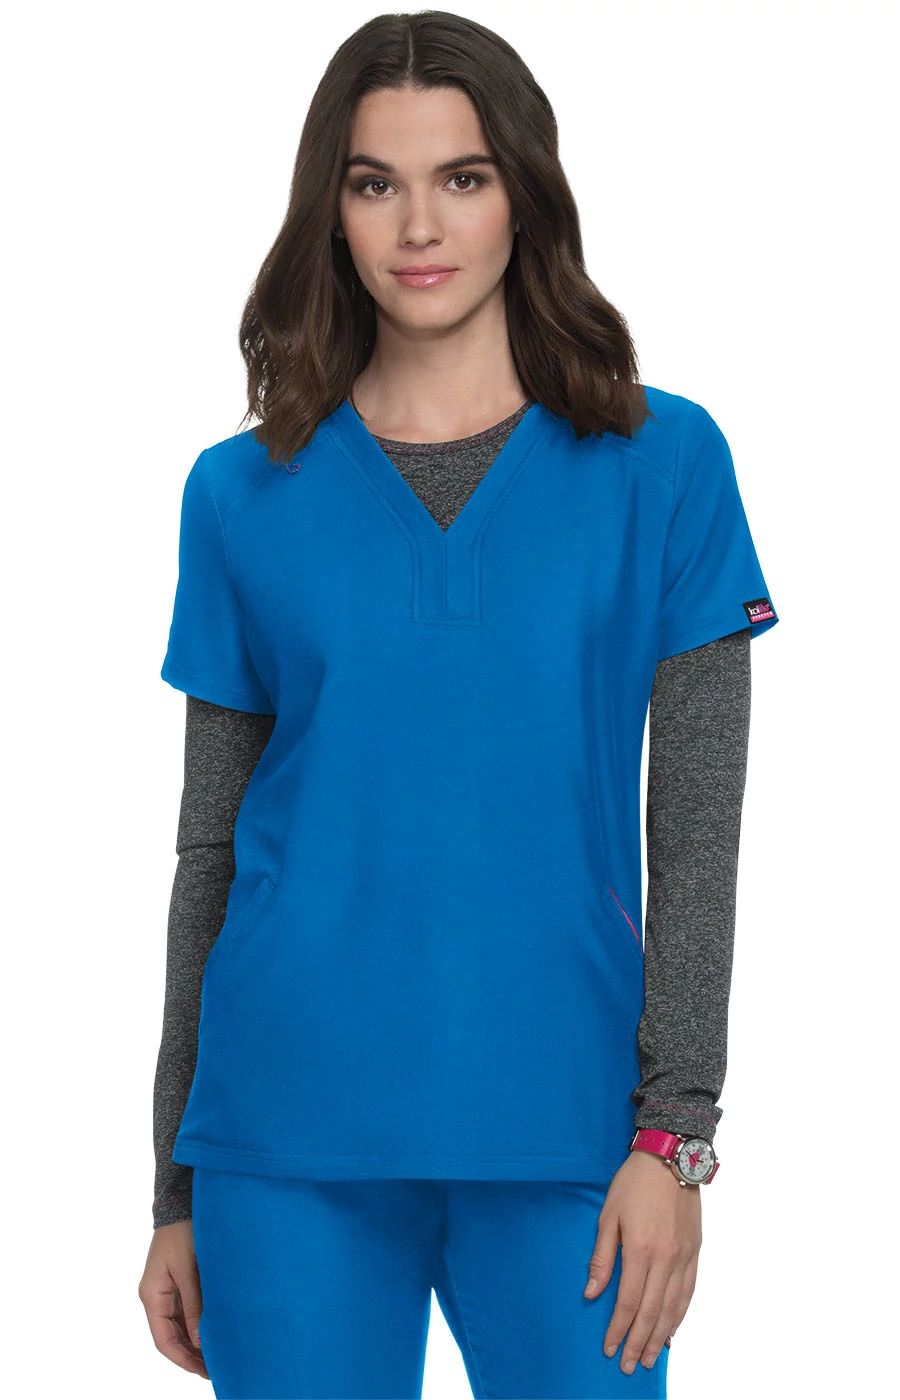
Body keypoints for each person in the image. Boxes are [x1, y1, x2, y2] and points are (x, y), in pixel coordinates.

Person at [138, 11, 780, 1398]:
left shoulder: (664, 463)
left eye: (463, 178)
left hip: (569, 1132)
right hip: (280, 1141)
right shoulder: (238, 491)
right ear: (332, 209)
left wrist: (676, 1139)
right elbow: (210, 850)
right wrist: (172, 1188)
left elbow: (698, 833)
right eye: (375, 182)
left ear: (522, 196)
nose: (418, 226)